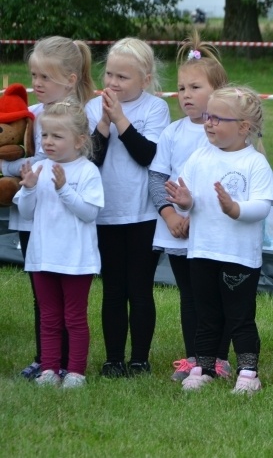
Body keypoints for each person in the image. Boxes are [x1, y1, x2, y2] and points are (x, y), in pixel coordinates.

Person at [167, 86, 273, 395]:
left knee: (239, 317)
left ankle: (248, 372)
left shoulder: (254, 163)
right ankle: (204, 367)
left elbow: (262, 205)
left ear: (243, 127)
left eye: (218, 117)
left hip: (239, 257)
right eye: (207, 116)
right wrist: (183, 202)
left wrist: (235, 208)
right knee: (207, 314)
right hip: (201, 251)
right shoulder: (200, 156)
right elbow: (184, 199)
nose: (209, 123)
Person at [5, 36, 94, 381]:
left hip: (67, 223)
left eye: (45, 77)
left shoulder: (81, 115)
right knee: (41, 297)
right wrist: (20, 167)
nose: (37, 84)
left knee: (69, 300)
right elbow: (9, 157)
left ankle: (72, 363)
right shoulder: (29, 116)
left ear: (70, 80)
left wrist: (30, 164)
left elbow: (76, 163)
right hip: (32, 218)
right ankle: (46, 360)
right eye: (34, 76)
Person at [148, 32, 233, 382]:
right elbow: (157, 178)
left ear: (218, 91)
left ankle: (220, 358)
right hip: (178, 231)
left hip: (214, 230)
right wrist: (169, 215)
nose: (186, 95)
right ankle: (194, 358)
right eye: (182, 88)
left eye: (195, 87)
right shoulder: (172, 133)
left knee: (218, 294)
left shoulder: (228, 133)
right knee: (191, 296)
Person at [85, 38, 171, 377]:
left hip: (143, 214)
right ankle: (113, 358)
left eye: (123, 77)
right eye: (109, 74)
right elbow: (92, 160)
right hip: (107, 214)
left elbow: (148, 156)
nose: (112, 83)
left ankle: (139, 359)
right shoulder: (94, 109)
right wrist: (103, 124)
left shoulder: (155, 109)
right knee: (113, 289)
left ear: (145, 80)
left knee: (139, 288)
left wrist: (120, 119)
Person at [14, 100, 103, 388]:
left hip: (76, 260)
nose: (48, 142)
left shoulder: (87, 171)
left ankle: (75, 371)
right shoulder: (39, 168)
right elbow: (27, 212)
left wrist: (64, 189)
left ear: (79, 141)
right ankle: (49, 369)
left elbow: (89, 212)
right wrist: (28, 189)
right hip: (42, 257)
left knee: (74, 318)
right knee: (49, 317)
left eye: (56, 136)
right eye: (45, 135)